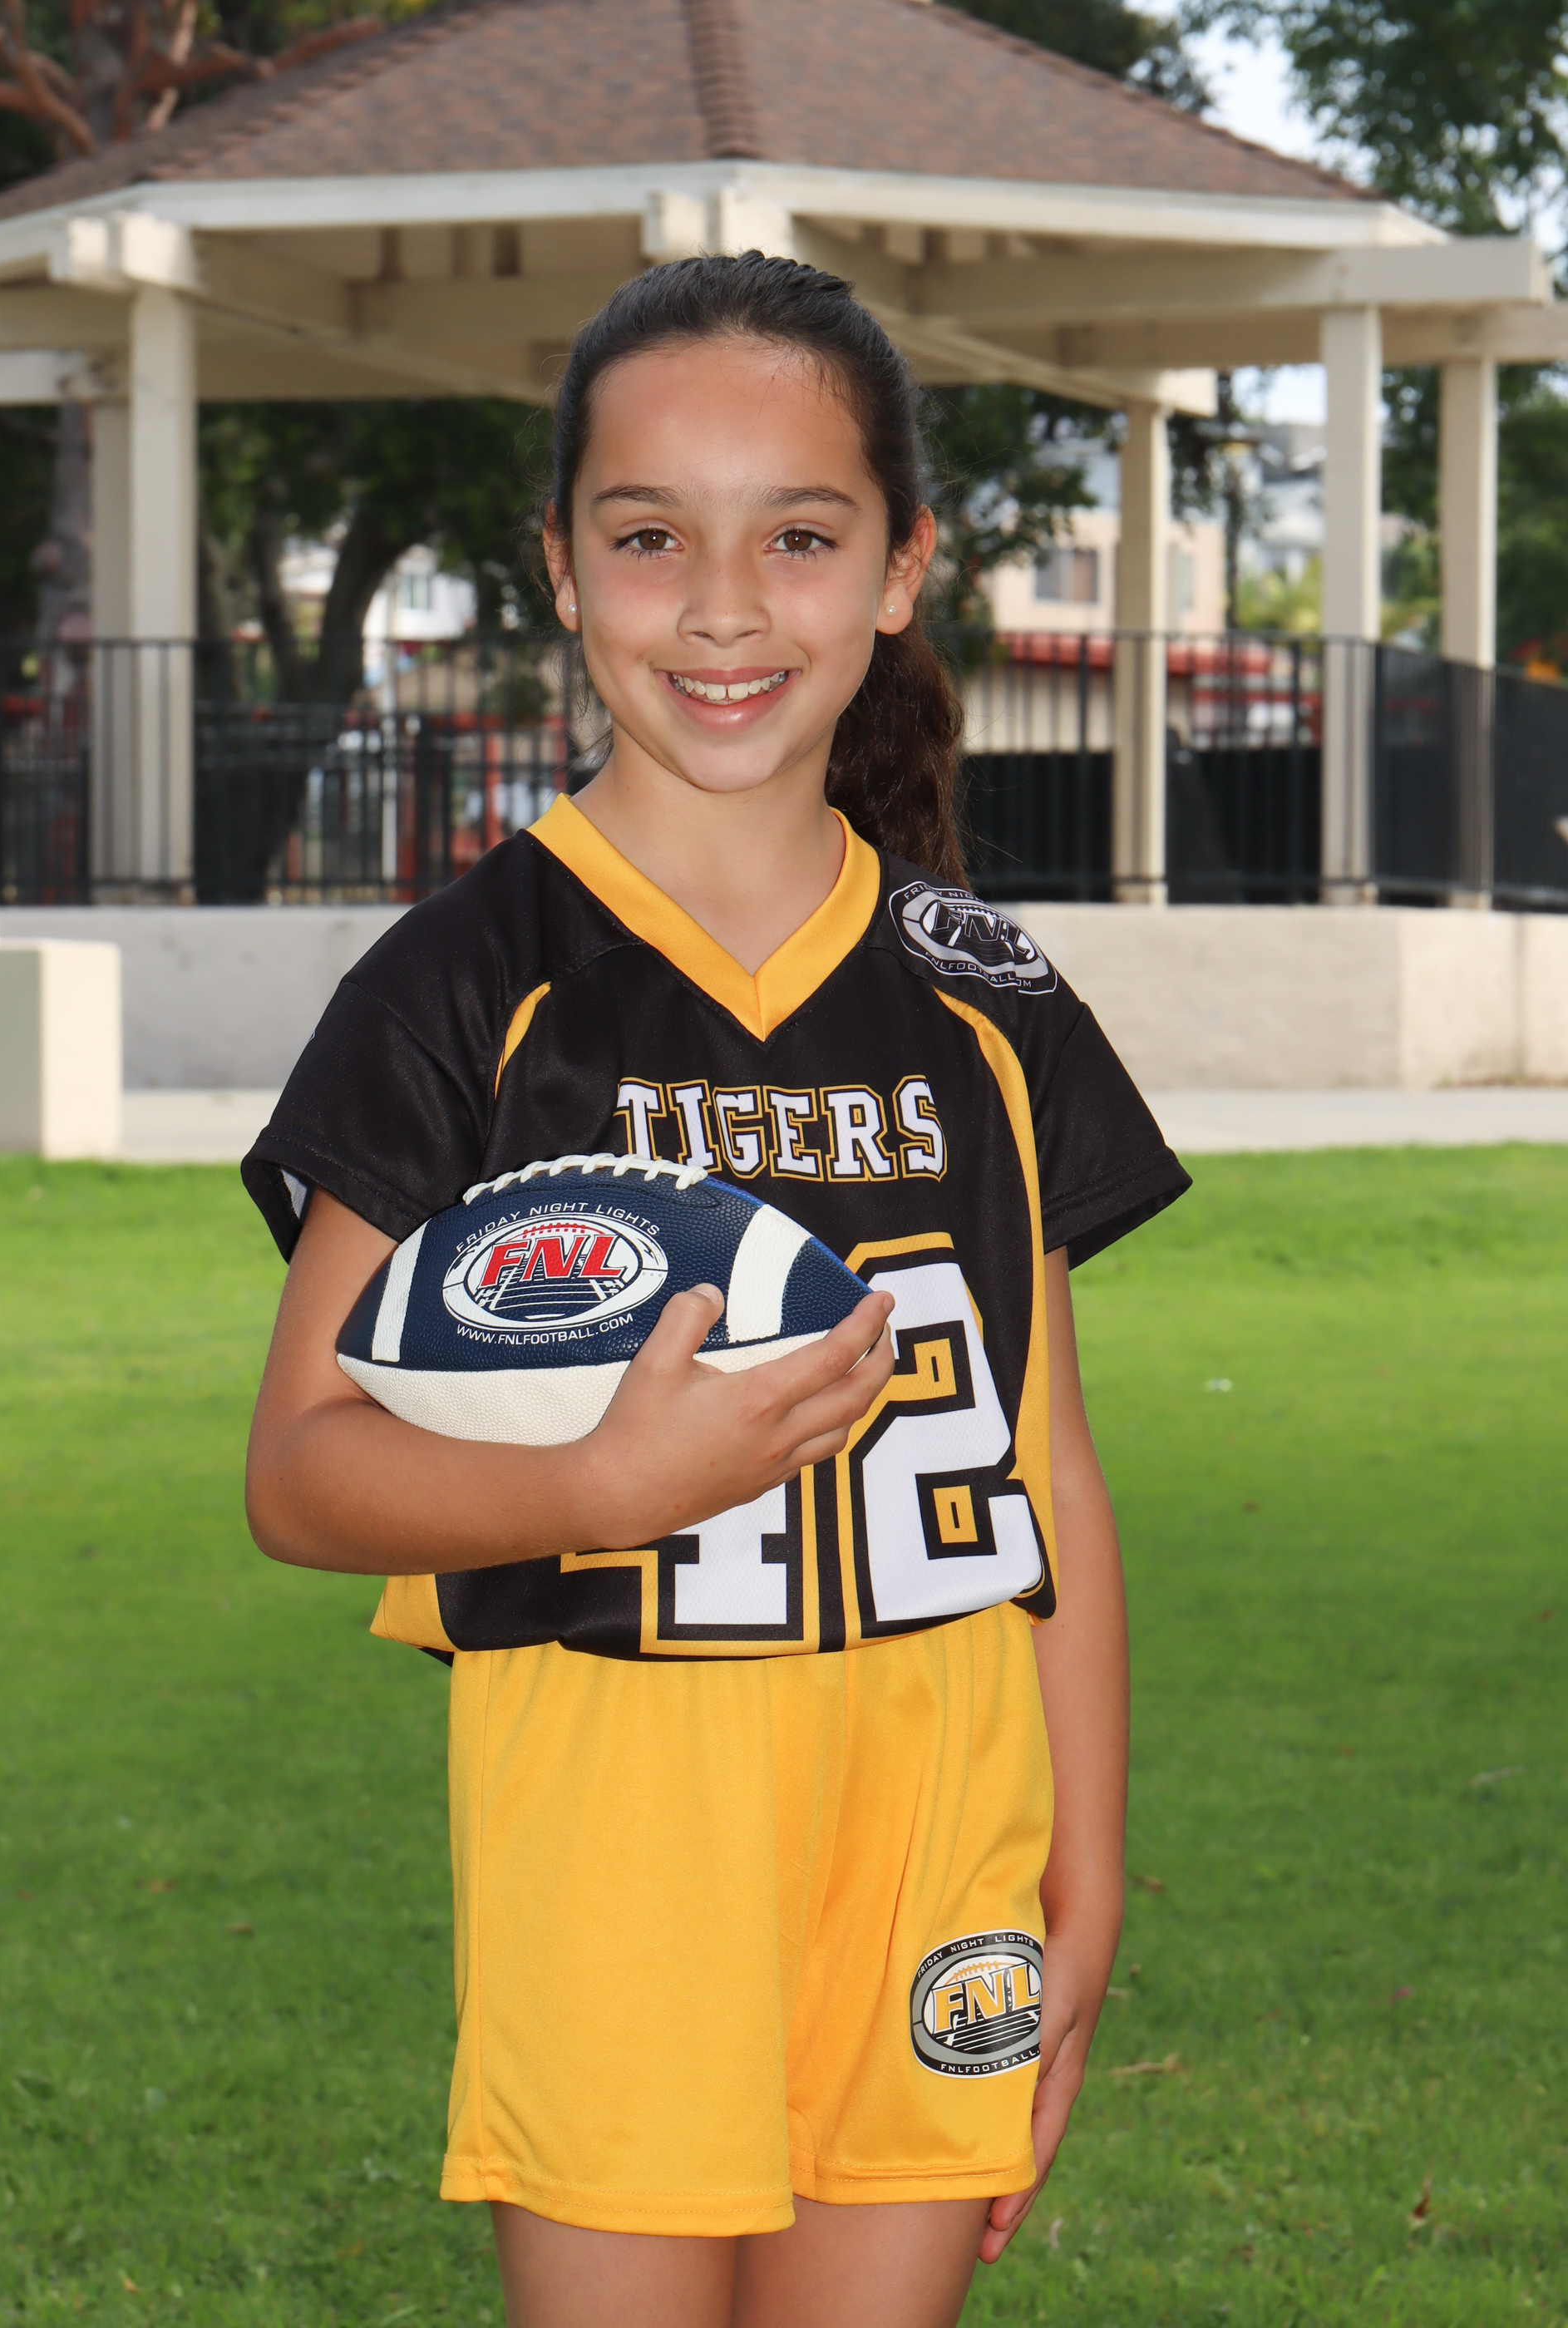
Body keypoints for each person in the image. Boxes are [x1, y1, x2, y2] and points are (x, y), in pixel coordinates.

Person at [241, 253, 1190, 2328]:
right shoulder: (463, 983)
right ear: (561, 569)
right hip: (619, 1859)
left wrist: (1088, 1873)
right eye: (652, 535)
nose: (727, 605)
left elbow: (1046, 1462)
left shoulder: (986, 994)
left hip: (932, 1842)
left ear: (902, 568)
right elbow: (300, 1467)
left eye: (802, 535)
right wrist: (599, 1481)